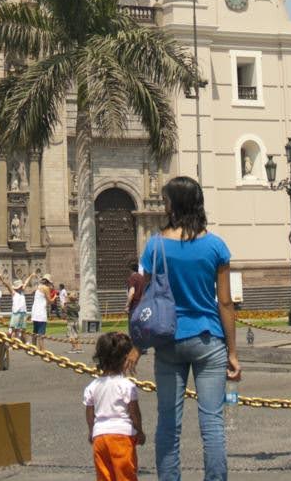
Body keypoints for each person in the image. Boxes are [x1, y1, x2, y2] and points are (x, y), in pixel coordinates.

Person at [141, 176, 239, 481]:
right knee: (212, 424)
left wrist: (137, 344)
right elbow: (225, 303)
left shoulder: (155, 246)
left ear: (174, 205)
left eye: (166, 200)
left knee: (168, 424)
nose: (163, 205)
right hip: (209, 339)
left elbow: (146, 299)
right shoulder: (215, 246)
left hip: (168, 340)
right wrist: (233, 353)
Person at [84, 331, 144, 481]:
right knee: (125, 475)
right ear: (126, 359)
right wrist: (139, 430)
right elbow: (134, 412)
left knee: (104, 475)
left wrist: (92, 431)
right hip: (121, 436)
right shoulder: (126, 385)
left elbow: (90, 413)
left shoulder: (93, 386)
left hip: (100, 437)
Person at [30, 275, 51, 347]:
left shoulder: (37, 287)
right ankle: (42, 350)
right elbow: (50, 300)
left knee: (35, 331)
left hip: (35, 311)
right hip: (41, 312)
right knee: (41, 333)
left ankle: (33, 348)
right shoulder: (46, 288)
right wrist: (54, 297)